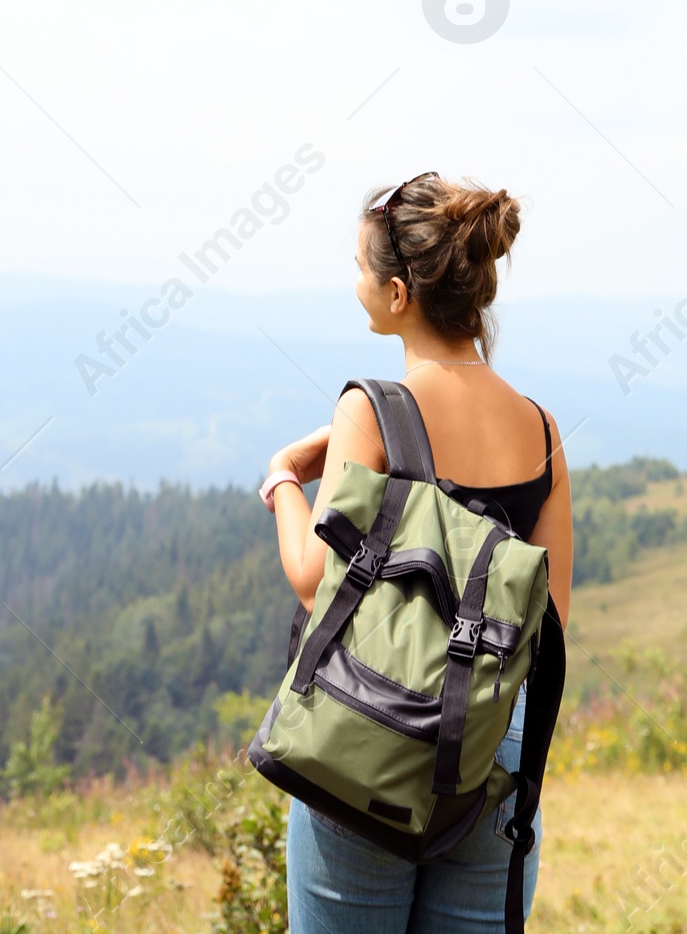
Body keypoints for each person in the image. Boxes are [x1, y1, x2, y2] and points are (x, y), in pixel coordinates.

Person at [259, 174, 572, 934]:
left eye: (363, 269)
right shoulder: (540, 430)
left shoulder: (371, 408)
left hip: (372, 736)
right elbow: (550, 620)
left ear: (399, 294)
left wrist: (282, 481)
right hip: (491, 754)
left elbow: (314, 582)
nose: (355, 281)